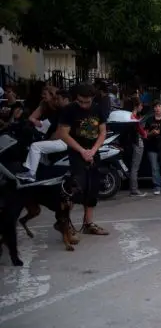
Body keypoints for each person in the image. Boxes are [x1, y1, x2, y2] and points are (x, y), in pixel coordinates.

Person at [55, 83, 110, 235]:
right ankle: (64, 223)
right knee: (75, 188)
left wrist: (93, 150)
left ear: (92, 98)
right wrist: (82, 151)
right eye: (80, 101)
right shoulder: (69, 110)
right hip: (76, 153)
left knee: (92, 188)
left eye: (87, 101)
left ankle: (88, 223)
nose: (84, 105)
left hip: (93, 152)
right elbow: (63, 134)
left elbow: (103, 132)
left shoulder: (98, 109)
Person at [17, 89, 71, 182]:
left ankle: (31, 174)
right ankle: (44, 173)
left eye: (59, 99)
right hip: (64, 139)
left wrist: (48, 140)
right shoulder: (63, 110)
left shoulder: (67, 111)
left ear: (66, 99)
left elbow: (60, 133)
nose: (56, 101)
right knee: (39, 148)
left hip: (65, 141)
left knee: (35, 146)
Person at [123, 95, 147, 197]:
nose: (142, 107)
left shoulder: (129, 115)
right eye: (141, 105)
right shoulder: (134, 117)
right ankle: (134, 190)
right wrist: (145, 133)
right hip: (137, 142)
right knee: (135, 167)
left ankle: (133, 189)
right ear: (136, 106)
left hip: (132, 143)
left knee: (133, 166)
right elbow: (141, 131)